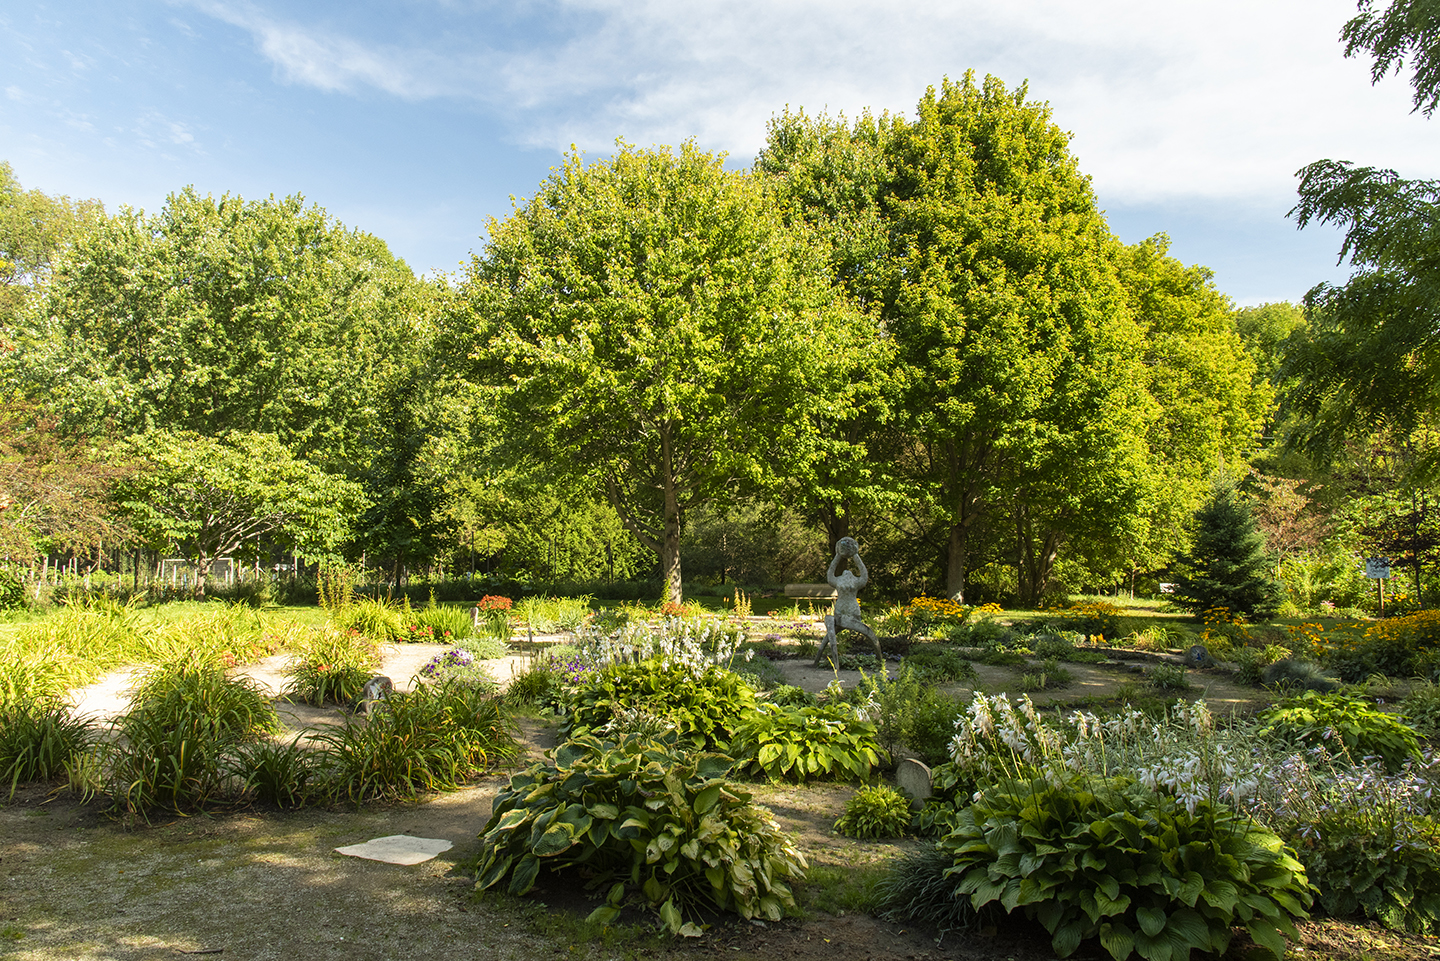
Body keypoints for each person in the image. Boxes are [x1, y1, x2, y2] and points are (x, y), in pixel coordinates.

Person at [814, 536, 882, 666]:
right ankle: (829, 660)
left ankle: (879, 659)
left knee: (867, 633)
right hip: (840, 610)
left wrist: (855, 555)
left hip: (853, 610)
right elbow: (830, 573)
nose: (847, 572)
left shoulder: (856, 582)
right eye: (844, 573)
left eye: (850, 573)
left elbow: (864, 574)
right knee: (830, 634)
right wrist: (838, 555)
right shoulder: (838, 581)